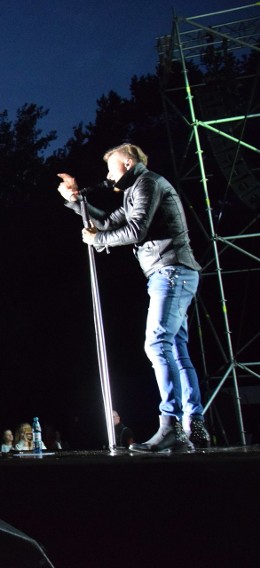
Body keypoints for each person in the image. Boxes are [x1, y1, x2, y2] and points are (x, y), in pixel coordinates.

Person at [58, 142, 209, 452]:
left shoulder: (148, 183)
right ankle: (194, 425)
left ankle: (171, 425)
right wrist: (76, 201)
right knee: (177, 349)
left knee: (157, 343)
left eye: (110, 167)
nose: (108, 175)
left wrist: (98, 239)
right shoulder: (134, 191)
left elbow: (136, 230)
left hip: (171, 271)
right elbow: (107, 223)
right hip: (170, 273)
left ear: (126, 163)